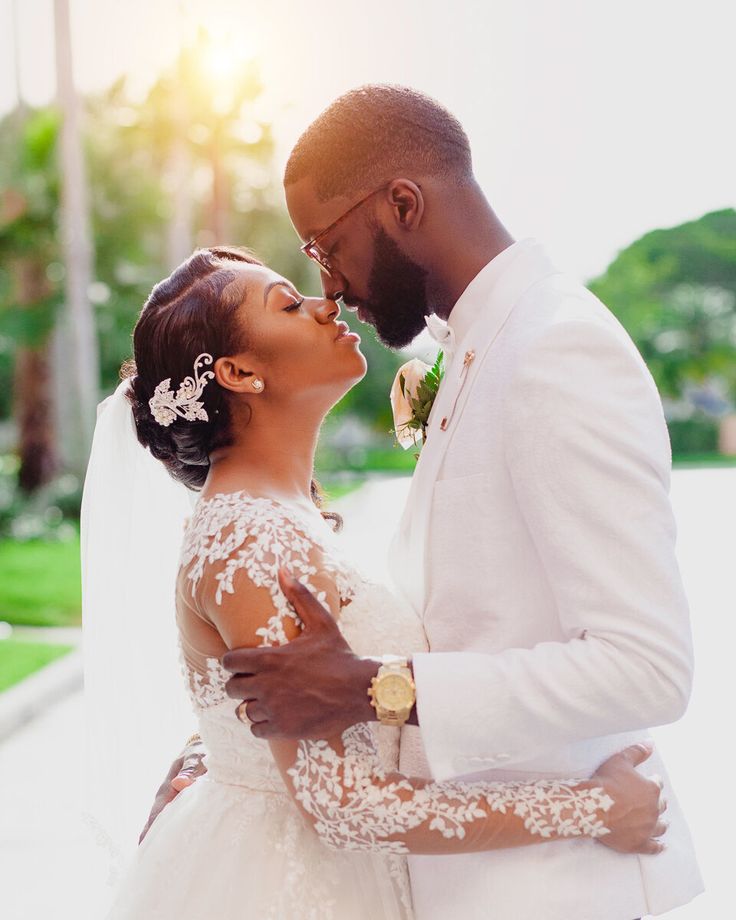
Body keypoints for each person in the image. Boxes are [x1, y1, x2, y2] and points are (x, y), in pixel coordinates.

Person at [213, 85, 704, 919]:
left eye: (325, 248)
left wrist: (377, 688)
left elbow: (647, 665)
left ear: (402, 203)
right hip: (465, 880)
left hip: (556, 885)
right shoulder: (478, 349)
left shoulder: (557, 349)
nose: (327, 287)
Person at [97, 245, 666, 920]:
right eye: (289, 302)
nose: (325, 303)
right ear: (240, 372)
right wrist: (596, 808)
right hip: (286, 888)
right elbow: (345, 805)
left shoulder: (282, 515)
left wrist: (212, 744)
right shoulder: (250, 540)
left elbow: (253, 711)